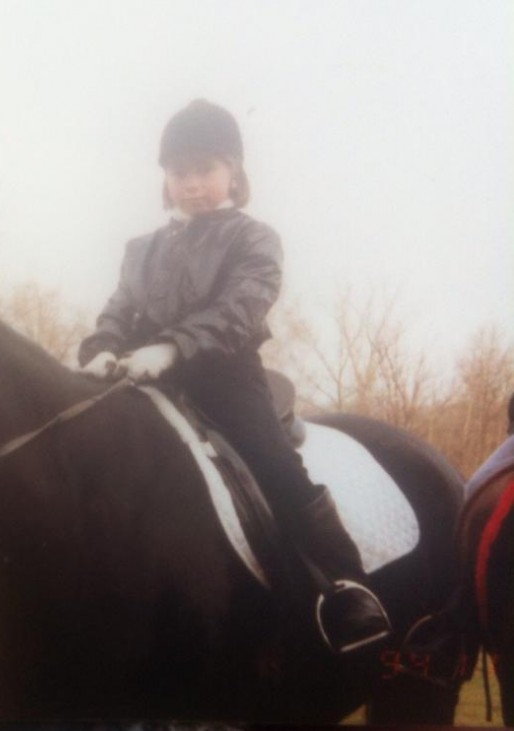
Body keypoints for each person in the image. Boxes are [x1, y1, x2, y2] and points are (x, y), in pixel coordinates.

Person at [77, 98, 391, 654]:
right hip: (143, 380)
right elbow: (119, 309)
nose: (192, 183)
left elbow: (238, 310)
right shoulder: (140, 249)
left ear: (233, 173)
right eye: (180, 172)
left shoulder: (254, 239)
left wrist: (172, 347)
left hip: (224, 380)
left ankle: (345, 585)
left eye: (205, 169)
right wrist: (101, 349)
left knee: (275, 462)